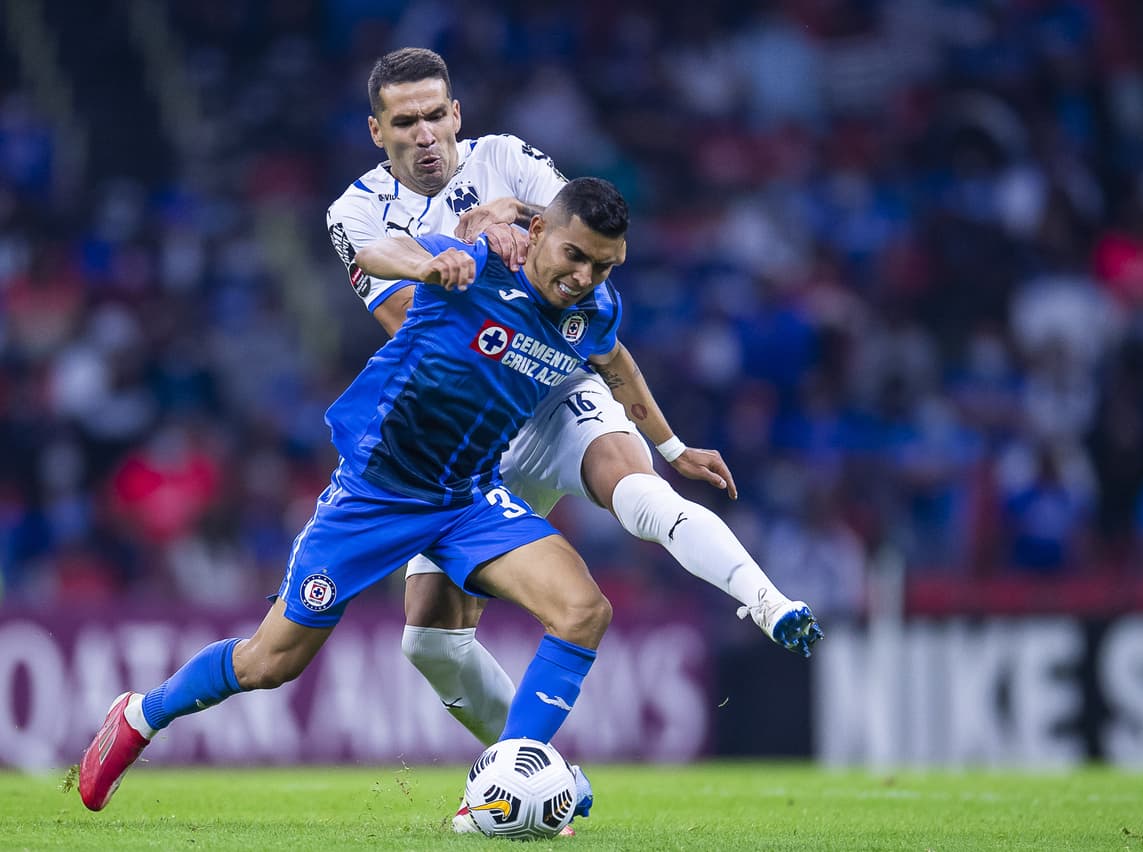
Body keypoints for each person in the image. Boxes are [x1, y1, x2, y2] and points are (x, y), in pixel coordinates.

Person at [327, 47, 823, 792]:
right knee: (428, 642)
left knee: (638, 484)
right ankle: (536, 772)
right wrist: (469, 240)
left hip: (552, 382)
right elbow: (416, 324)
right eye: (407, 122)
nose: (427, 133)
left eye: (437, 114)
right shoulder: (355, 215)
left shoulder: (507, 157)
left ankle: (766, 600)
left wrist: (509, 212)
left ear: (456, 113)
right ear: (378, 131)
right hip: (469, 426)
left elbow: (584, 222)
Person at [80, 178, 637, 814]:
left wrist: (670, 448)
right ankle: (141, 715)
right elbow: (373, 253)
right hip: (375, 494)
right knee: (271, 661)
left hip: (467, 497)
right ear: (540, 236)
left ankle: (511, 782)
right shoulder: (481, 260)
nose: (585, 275)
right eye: (576, 256)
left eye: (603, 265)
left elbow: (615, 361)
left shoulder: (594, 312)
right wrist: (434, 261)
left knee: (583, 611)